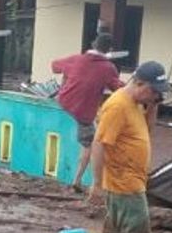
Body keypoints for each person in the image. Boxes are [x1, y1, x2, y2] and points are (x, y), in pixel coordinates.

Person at [80, 61, 170, 233]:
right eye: (153, 91)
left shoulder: (135, 104)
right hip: (125, 185)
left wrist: (153, 106)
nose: (155, 96)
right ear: (139, 83)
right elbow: (99, 144)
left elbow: (146, 132)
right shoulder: (118, 106)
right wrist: (96, 184)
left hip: (129, 181)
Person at [52, 33, 124, 193]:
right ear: (109, 50)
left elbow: (54, 66)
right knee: (92, 145)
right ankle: (80, 181)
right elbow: (117, 89)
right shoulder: (108, 68)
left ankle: (78, 181)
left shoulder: (76, 59)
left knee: (91, 136)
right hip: (83, 112)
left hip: (63, 100)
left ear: (93, 44)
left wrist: (68, 75)